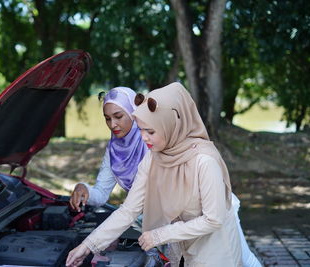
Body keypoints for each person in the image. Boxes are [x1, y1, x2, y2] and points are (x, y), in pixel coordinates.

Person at [66, 82, 261, 267]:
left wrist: (159, 235)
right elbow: (128, 211)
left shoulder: (204, 160)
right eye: (141, 130)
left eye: (150, 131)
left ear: (170, 125)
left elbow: (213, 219)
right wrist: (87, 246)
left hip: (215, 249)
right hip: (181, 247)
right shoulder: (153, 159)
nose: (143, 137)